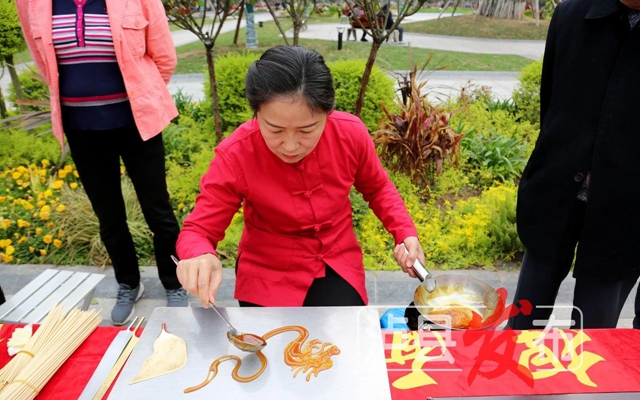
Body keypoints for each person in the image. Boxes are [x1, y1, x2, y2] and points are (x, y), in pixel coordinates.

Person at [176, 46, 425, 308]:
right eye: (275, 130)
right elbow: (198, 230)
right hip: (267, 274)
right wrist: (199, 254)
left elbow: (378, 188)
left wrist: (405, 232)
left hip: (336, 261)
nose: (291, 145)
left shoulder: (350, 134)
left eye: (307, 130)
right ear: (257, 114)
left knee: (345, 340)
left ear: (327, 113)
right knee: (269, 345)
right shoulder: (237, 153)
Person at [16, 0, 188, 325]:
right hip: (82, 129)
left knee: (158, 210)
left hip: (139, 123)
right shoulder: (31, 3)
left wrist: (141, 96)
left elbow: (164, 57)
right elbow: (43, 62)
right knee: (108, 215)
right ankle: (128, 283)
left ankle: (175, 282)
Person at [508, 0, 640, 330]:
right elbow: (551, 106)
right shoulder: (571, 14)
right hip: (555, 194)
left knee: (594, 342)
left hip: (625, 212)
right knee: (522, 327)